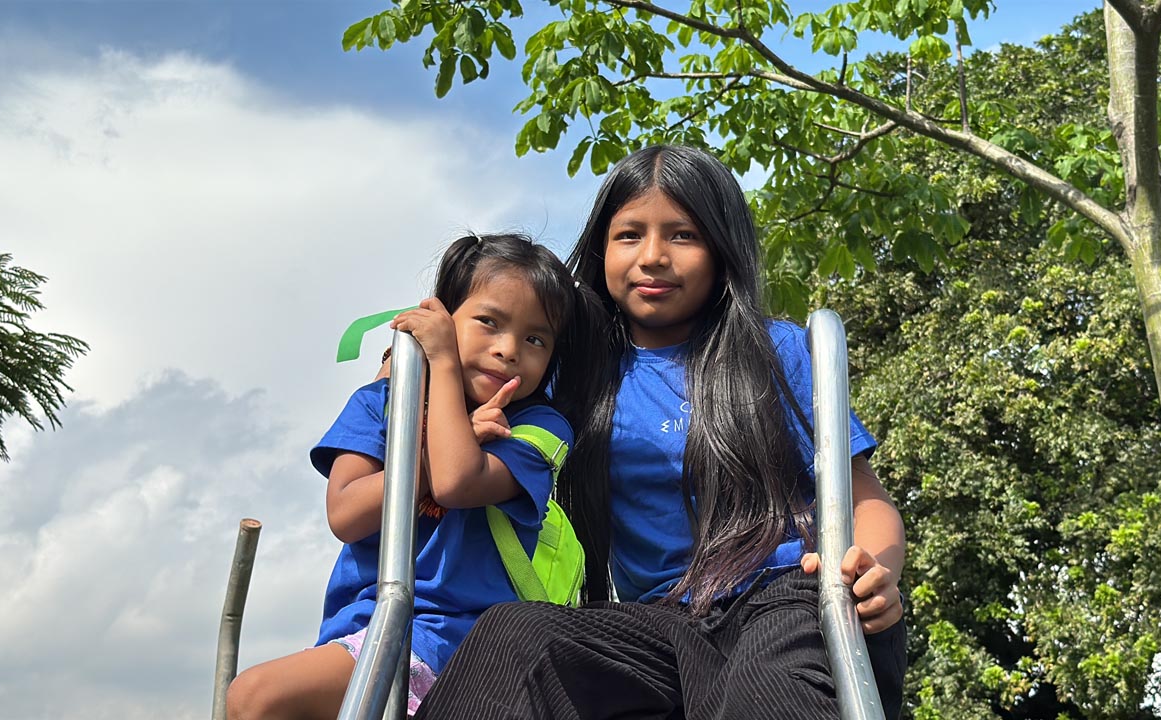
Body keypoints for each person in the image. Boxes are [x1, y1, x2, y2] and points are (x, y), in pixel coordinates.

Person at [412, 145, 908, 720]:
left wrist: (875, 570)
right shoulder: (573, 371)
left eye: (683, 236)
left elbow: (863, 497)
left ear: (722, 248)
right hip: (658, 624)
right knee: (515, 636)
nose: (652, 257)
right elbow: (479, 345)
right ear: (601, 249)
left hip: (783, 596)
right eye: (629, 235)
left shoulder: (775, 351)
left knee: (765, 691)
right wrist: (419, 354)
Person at [226, 233, 604, 719]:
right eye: (488, 322)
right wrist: (437, 440)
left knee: (255, 696)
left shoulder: (537, 428)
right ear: (442, 317)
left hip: (462, 641)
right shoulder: (382, 404)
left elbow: (457, 482)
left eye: (536, 339)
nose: (508, 350)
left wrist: (443, 363)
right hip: (362, 628)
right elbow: (346, 513)